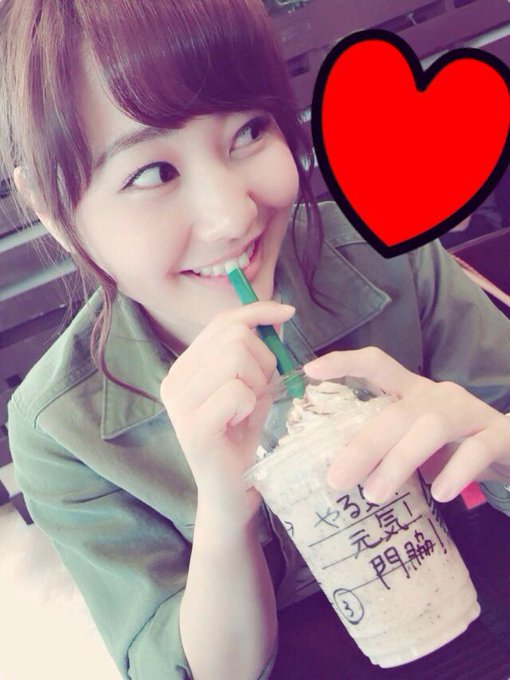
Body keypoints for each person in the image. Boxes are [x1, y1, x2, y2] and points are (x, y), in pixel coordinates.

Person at [1, 1, 510, 679]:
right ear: (51, 208)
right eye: (152, 173)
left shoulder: (388, 255)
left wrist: (493, 448)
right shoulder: (60, 428)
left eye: (248, 130)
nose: (233, 215)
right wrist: (223, 510)